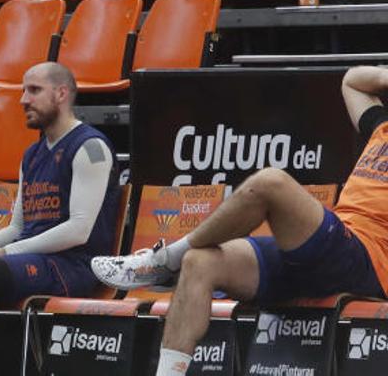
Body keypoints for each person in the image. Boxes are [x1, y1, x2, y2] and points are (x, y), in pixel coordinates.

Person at [90, 65, 388, 376]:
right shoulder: (380, 127)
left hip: (364, 258)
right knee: (200, 262)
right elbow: (352, 81)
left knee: (272, 184)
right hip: (333, 246)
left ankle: (164, 261)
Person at [0, 62, 121, 306]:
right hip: (32, 260)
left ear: (61, 94)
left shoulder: (90, 147)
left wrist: (5, 252)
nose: (24, 100)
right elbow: (17, 229)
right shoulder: (31, 155)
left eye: (34, 90)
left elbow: (79, 230)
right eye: (24, 91)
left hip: (72, 267)